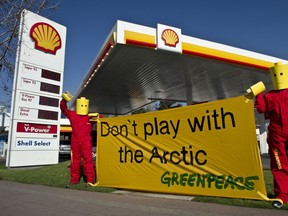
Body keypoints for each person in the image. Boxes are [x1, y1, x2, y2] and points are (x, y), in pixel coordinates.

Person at [254, 62, 288, 209]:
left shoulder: (269, 95)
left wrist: (259, 93)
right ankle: (282, 195)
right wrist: (259, 94)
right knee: (278, 163)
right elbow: (261, 108)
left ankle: (282, 195)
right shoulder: (270, 96)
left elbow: (260, 109)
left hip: (276, 133)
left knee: (279, 164)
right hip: (276, 134)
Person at [60, 92, 99, 187]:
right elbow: (63, 109)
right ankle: (74, 180)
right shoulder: (72, 115)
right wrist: (64, 100)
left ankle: (90, 180)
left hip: (86, 142)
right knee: (75, 161)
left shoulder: (90, 117)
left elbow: (101, 120)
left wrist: (98, 116)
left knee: (88, 160)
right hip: (75, 141)